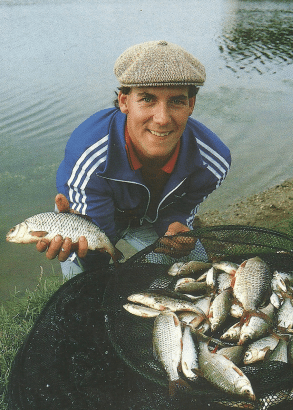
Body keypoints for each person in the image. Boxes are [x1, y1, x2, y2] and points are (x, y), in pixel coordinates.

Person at [36, 40, 231, 278]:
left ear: (191, 104)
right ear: (124, 101)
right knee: (88, 278)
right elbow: (97, 244)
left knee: (193, 269)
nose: (161, 119)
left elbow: (183, 207)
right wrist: (91, 253)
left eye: (177, 101)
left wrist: (176, 225)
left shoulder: (214, 161)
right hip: (89, 216)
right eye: (147, 99)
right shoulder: (89, 155)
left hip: (151, 216)